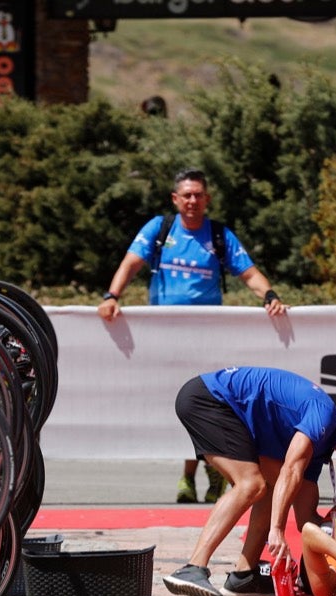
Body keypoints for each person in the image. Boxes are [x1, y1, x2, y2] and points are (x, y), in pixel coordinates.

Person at [97, 168, 289, 505]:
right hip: (163, 334)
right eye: (186, 195)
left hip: (207, 335)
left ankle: (213, 470)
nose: (192, 201)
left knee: (205, 405)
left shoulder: (218, 235)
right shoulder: (160, 229)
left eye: (198, 195)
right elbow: (130, 264)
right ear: (175, 199)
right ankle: (188, 475)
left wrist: (270, 296)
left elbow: (249, 273)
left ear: (207, 199)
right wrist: (111, 297)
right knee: (171, 401)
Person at [163, 366, 336, 596]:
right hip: (208, 399)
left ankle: (243, 575)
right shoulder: (324, 414)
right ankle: (193, 567)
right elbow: (290, 469)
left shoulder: (320, 448)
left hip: (224, 407)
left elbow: (306, 520)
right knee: (251, 485)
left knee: (269, 487)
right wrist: (277, 531)